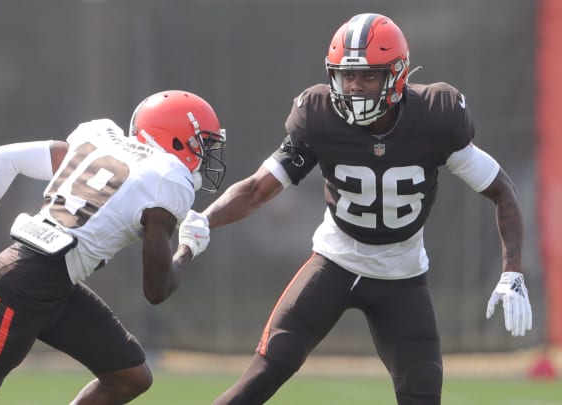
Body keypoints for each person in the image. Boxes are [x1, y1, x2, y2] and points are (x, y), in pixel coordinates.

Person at [181, 13, 533, 405]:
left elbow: (503, 191)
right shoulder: (319, 116)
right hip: (335, 261)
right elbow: (258, 188)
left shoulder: (436, 116)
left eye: (368, 76)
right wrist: (205, 219)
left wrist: (512, 271)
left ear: (397, 75)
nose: (355, 87)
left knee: (423, 392)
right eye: (347, 76)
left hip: (403, 275)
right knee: (265, 371)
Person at [0, 90, 226, 405]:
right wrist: (188, 248)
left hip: (49, 283)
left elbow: (6, 158)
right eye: (203, 144)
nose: (206, 155)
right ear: (174, 139)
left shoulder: (98, 141)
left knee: (129, 377)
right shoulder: (164, 182)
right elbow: (156, 290)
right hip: (18, 288)